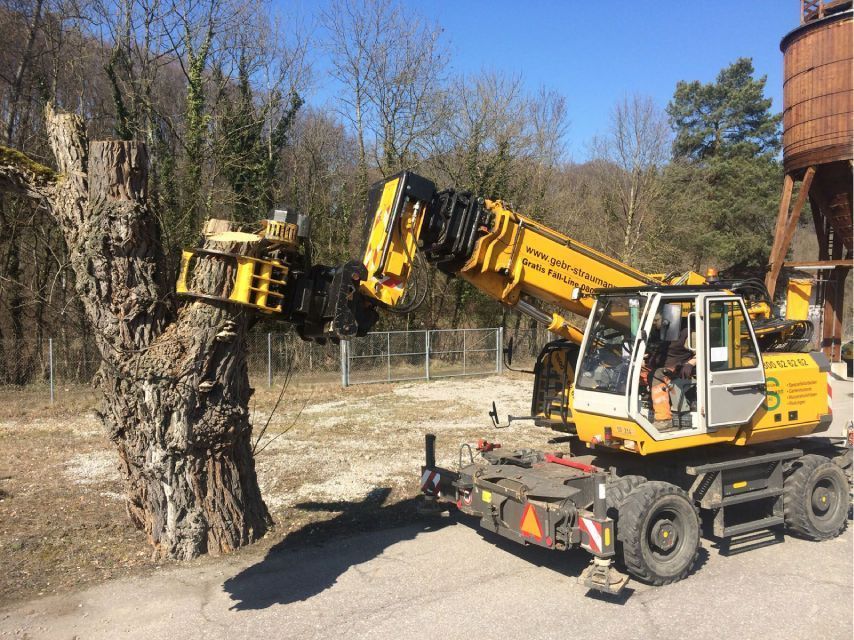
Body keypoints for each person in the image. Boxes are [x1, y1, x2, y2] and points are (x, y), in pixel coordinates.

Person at [651, 326, 696, 429]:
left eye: (656, 320)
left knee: (657, 375)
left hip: (679, 369)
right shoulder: (657, 332)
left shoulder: (687, 332)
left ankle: (664, 419)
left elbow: (702, 350)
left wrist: (690, 364)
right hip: (662, 366)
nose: (654, 322)